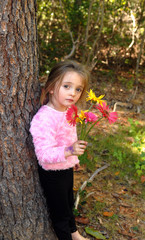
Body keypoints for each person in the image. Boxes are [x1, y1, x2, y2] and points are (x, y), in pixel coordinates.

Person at [30, 60, 90, 240]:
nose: (73, 93)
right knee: (60, 213)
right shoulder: (44, 119)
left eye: (78, 89)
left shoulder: (69, 110)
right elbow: (43, 155)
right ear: (51, 87)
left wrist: (74, 159)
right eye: (67, 86)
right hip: (52, 174)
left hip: (66, 167)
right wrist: (69, 151)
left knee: (69, 203)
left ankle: (75, 233)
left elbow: (71, 135)